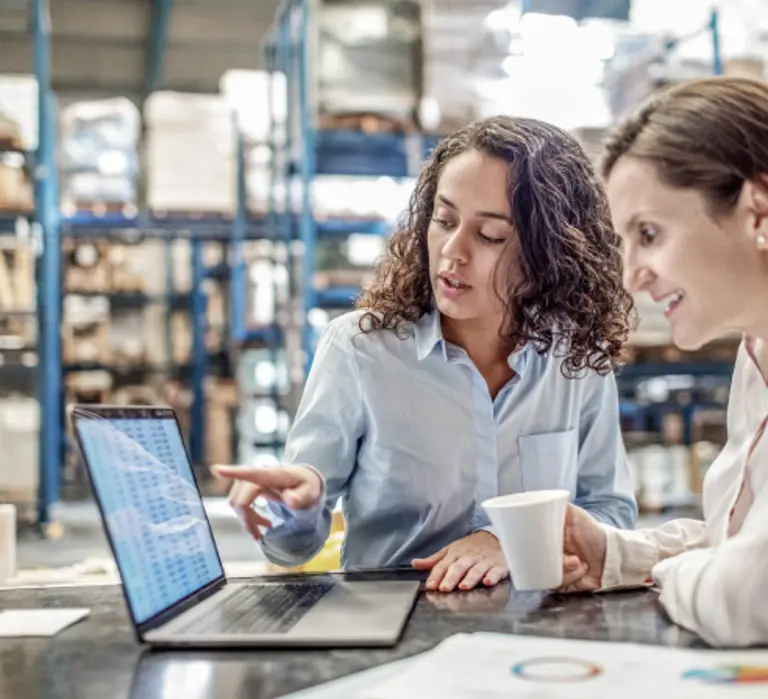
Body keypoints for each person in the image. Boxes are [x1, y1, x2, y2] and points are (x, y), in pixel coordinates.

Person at [216, 115, 637, 593]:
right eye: (445, 220)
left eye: (490, 236)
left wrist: (508, 541)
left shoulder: (576, 359)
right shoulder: (359, 350)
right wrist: (297, 508)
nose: (453, 252)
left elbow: (612, 513)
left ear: (550, 252)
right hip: (395, 625)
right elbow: (291, 549)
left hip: (535, 630)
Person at [558, 77, 768, 647]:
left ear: (757, 208)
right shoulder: (756, 355)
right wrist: (617, 552)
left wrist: (676, 575)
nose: (631, 276)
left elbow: (747, 595)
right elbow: (742, 541)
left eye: (649, 233)